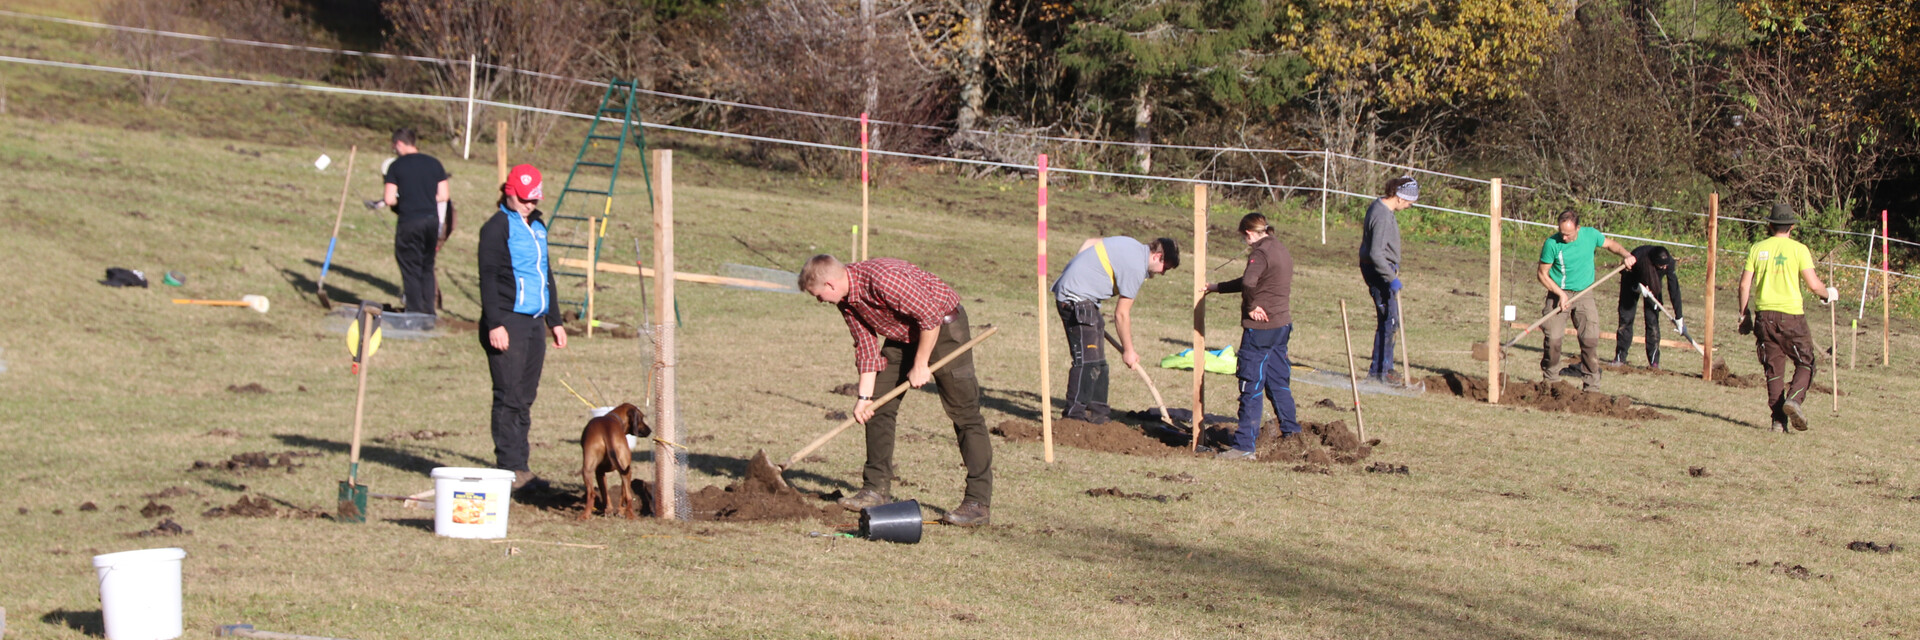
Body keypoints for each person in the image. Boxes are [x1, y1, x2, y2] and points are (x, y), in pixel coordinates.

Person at [801, 255, 993, 526]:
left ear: (830, 284)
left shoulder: (883, 279)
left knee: (965, 415)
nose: (819, 301)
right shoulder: (846, 300)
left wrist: (921, 363)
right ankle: (875, 490)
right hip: (903, 333)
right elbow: (866, 347)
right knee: (877, 407)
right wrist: (864, 399)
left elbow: (929, 317)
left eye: (818, 295)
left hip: (944, 327)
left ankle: (977, 503)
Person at [477, 164, 567, 491]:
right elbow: (487, 278)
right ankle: (510, 467)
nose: (530, 204)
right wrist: (495, 323)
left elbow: (545, 273)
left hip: (534, 323)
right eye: (525, 199)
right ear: (509, 192)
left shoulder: (538, 225)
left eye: (534, 199)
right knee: (509, 395)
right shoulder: (495, 228)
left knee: (526, 396)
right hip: (507, 321)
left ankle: (522, 463)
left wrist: (554, 321)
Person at [1049, 236, 1181, 423]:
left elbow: (1091, 241)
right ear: (1157, 256)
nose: (1162, 273)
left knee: (1099, 362)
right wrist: (1128, 351)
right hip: (1075, 300)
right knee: (1087, 361)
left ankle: (1098, 414)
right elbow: (1121, 315)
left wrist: (1079, 267)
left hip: (1085, 300)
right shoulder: (1136, 267)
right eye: (1165, 268)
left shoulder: (1131, 244)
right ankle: (1074, 418)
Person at [1201, 213, 1298, 460]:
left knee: (1250, 384)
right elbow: (1251, 280)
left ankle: (1244, 446)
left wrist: (1252, 306)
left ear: (1247, 233)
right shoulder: (1278, 247)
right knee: (1278, 382)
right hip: (1281, 326)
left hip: (1261, 331)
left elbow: (1249, 282)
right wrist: (1217, 287)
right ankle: (1292, 435)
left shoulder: (1259, 253)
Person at [1738, 203, 1836, 433]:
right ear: (1791, 226)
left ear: (1770, 225)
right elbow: (1814, 285)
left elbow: (1744, 284)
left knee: (1773, 370)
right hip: (1791, 316)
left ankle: (1778, 421)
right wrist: (1829, 294)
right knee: (1806, 362)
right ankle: (1794, 399)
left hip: (1764, 315)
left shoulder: (1757, 248)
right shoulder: (1799, 249)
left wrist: (1743, 314)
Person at [1537, 210, 1636, 391]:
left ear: (1578, 228)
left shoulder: (1590, 235)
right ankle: (1550, 382)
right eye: (1562, 233)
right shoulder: (1552, 243)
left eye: (1568, 234)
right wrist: (1560, 294)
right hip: (1558, 293)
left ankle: (1591, 386)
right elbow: (1542, 274)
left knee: (1589, 340)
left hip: (1585, 293)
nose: (1564, 237)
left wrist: (1626, 255)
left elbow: (1611, 244)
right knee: (1553, 340)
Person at [383, 127, 449, 316]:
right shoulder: (434, 163)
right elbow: (443, 195)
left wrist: (404, 198)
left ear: (399, 144)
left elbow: (389, 199)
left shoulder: (396, 166)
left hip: (409, 221)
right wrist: (426, 197)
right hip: (431, 221)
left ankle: (414, 312)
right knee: (426, 265)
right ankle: (429, 312)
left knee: (409, 266)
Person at [1359, 176, 1415, 383]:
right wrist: (1391, 278)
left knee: (1389, 320)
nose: (1409, 206)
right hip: (1379, 271)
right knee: (1389, 321)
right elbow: (1375, 253)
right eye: (1409, 202)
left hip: (1381, 269)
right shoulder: (1382, 215)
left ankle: (1384, 369)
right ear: (1399, 197)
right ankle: (1380, 372)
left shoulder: (1383, 209)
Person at [1611, 245, 1683, 368]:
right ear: (1654, 262)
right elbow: (1625, 272)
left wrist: (1679, 317)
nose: (1665, 268)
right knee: (1626, 319)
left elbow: (1674, 289)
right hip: (1632, 281)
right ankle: (1620, 357)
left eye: (1666, 266)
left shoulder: (1668, 262)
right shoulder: (1638, 256)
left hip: (1654, 286)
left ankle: (1654, 362)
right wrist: (1636, 287)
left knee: (1653, 322)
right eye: (1662, 266)